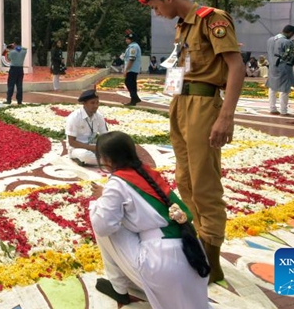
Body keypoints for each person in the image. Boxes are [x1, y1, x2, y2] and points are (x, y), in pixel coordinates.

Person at [130, 0, 244, 283]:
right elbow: (180, 68)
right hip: (180, 104)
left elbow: (236, 66)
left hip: (205, 106)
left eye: (155, 7)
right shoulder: (182, 28)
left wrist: (226, 116)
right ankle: (197, 242)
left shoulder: (212, 20)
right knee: (184, 177)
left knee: (204, 181)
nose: (157, 14)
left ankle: (212, 256)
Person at [89, 131, 210, 308]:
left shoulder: (117, 183)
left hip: (159, 266)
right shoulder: (149, 174)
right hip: (194, 259)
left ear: (106, 159)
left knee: (99, 214)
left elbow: (102, 226)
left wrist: (102, 198)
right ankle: (132, 283)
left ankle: (119, 287)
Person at [65, 89, 109, 166]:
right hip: (77, 149)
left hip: (94, 146)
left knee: (117, 147)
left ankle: (102, 160)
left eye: (97, 102)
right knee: (86, 155)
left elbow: (105, 135)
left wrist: (105, 146)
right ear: (84, 103)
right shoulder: (74, 117)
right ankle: (109, 162)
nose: (96, 106)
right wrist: (92, 148)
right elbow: (72, 142)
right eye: (92, 103)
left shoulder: (99, 116)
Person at [5, 39, 27, 105]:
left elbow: (8, 59)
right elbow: (24, 48)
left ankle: (9, 100)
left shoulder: (12, 52)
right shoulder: (24, 51)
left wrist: (10, 48)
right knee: (19, 85)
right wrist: (18, 47)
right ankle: (19, 101)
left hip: (13, 69)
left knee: (11, 85)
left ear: (14, 44)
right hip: (20, 69)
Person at [123, 33, 142, 106]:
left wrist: (126, 69)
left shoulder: (133, 47)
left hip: (132, 69)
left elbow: (131, 59)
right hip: (133, 69)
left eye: (127, 39)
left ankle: (135, 97)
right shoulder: (133, 46)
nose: (126, 40)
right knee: (132, 84)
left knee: (129, 83)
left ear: (130, 40)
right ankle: (134, 100)